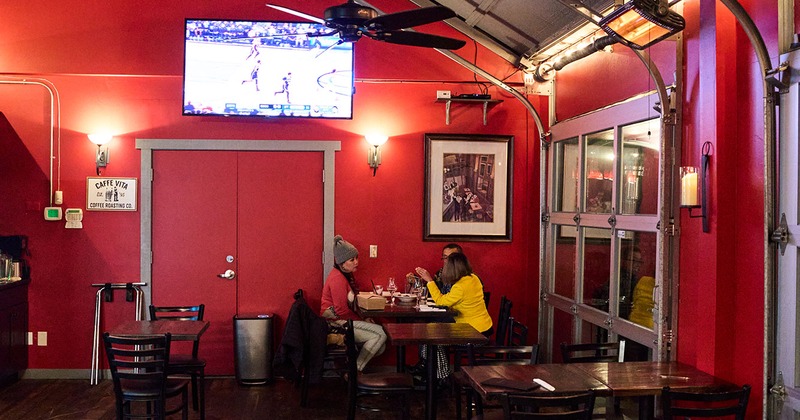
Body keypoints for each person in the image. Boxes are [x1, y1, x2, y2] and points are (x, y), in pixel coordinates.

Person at [320, 235, 386, 371]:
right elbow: (341, 311)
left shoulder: (344, 275)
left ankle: (349, 368)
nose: (356, 262)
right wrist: (364, 320)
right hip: (335, 323)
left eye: (356, 258)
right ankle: (354, 372)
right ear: (342, 263)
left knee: (381, 344)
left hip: (342, 320)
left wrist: (364, 318)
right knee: (382, 334)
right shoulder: (337, 279)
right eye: (352, 259)